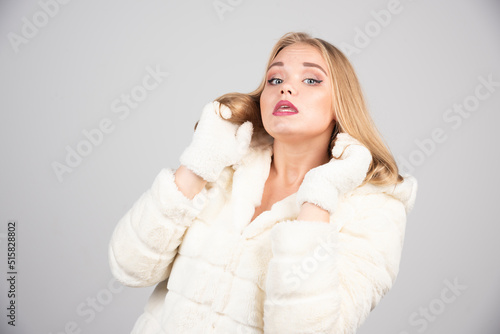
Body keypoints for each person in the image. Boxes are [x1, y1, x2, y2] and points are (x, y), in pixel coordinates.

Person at [108, 31, 418, 334]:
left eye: (311, 80)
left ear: (340, 105)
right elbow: (130, 267)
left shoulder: (375, 210)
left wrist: (321, 195)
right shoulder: (224, 167)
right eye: (275, 79)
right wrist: (199, 162)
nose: (286, 89)